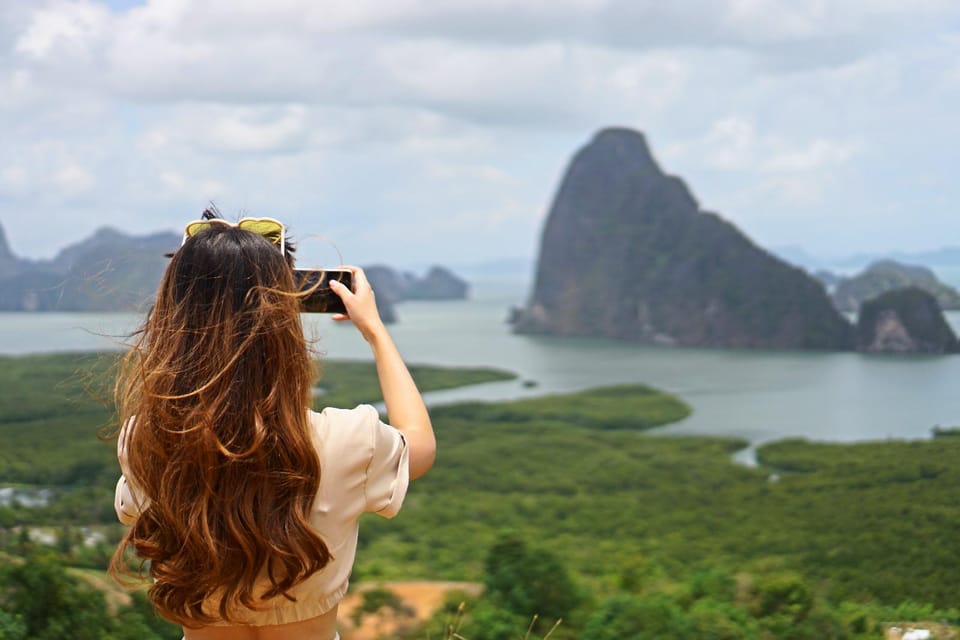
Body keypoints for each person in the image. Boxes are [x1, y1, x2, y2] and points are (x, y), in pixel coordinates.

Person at [110, 211, 435, 640]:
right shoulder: (348, 441)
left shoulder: (146, 442)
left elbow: (132, 509)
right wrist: (375, 330)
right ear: (283, 318)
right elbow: (421, 444)